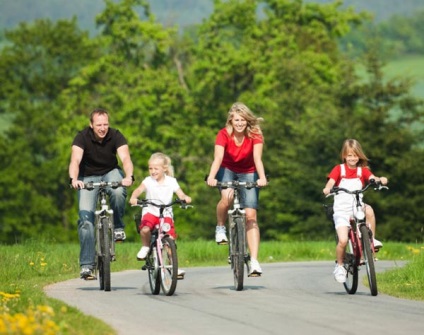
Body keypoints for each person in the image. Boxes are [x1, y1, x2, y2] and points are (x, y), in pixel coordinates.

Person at [69, 108, 134, 279]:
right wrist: (74, 179)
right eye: (99, 125)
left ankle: (118, 227)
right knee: (85, 221)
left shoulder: (116, 135)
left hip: (110, 172)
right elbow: (75, 160)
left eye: (105, 124)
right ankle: (87, 266)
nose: (103, 128)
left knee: (119, 190)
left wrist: (128, 176)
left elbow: (125, 158)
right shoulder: (81, 137)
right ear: (91, 125)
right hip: (87, 177)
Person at [206, 102, 267, 276]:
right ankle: (220, 227)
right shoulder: (223, 134)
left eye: (243, 120)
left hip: (248, 171)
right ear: (231, 121)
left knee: (251, 215)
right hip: (227, 170)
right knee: (227, 197)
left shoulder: (255, 134)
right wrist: (211, 176)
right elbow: (218, 158)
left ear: (247, 121)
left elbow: (257, 158)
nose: (240, 123)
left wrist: (262, 177)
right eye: (236, 120)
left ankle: (254, 261)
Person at [322, 139, 388, 283]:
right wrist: (328, 188)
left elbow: (371, 178)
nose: (352, 158)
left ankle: (371, 240)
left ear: (359, 156)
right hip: (341, 210)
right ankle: (340, 266)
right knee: (343, 240)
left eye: (355, 155)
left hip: (357, 206)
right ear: (344, 156)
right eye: (349, 155)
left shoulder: (362, 170)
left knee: (369, 210)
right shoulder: (339, 169)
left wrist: (379, 180)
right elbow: (331, 181)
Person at [129, 152, 192, 277]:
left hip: (166, 214)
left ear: (164, 168)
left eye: (156, 168)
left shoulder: (172, 181)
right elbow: (138, 190)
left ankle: (174, 267)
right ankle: (146, 247)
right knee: (145, 229)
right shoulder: (148, 181)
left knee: (170, 239)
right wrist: (134, 197)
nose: (152, 171)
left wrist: (185, 198)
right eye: (150, 168)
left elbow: (180, 194)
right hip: (151, 212)